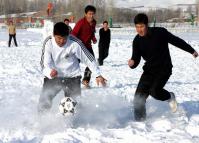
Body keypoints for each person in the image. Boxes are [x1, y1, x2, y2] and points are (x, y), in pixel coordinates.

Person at [128, 13, 198, 121]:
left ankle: (170, 96)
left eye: (141, 26)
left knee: (154, 91)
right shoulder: (137, 41)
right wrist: (133, 63)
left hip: (164, 68)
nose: (139, 30)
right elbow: (136, 58)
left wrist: (191, 50)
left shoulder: (159, 32)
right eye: (137, 27)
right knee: (138, 98)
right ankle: (140, 121)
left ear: (147, 25)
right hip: (149, 70)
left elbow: (176, 41)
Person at [38, 22, 106, 113]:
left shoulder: (75, 42)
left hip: (72, 77)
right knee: (44, 101)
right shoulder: (48, 42)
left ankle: (75, 122)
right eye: (59, 38)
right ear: (54, 35)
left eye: (64, 39)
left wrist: (98, 74)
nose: (62, 41)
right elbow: (44, 63)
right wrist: (49, 71)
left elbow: (88, 58)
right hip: (53, 76)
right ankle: (41, 121)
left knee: (74, 105)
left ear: (68, 36)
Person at [71, 5, 97, 88]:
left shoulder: (94, 22)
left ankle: (86, 80)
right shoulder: (81, 22)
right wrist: (77, 43)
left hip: (88, 46)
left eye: (93, 14)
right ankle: (69, 80)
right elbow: (73, 34)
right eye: (89, 14)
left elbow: (92, 32)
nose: (91, 16)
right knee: (74, 64)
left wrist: (93, 38)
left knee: (92, 62)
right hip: (79, 46)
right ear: (85, 14)